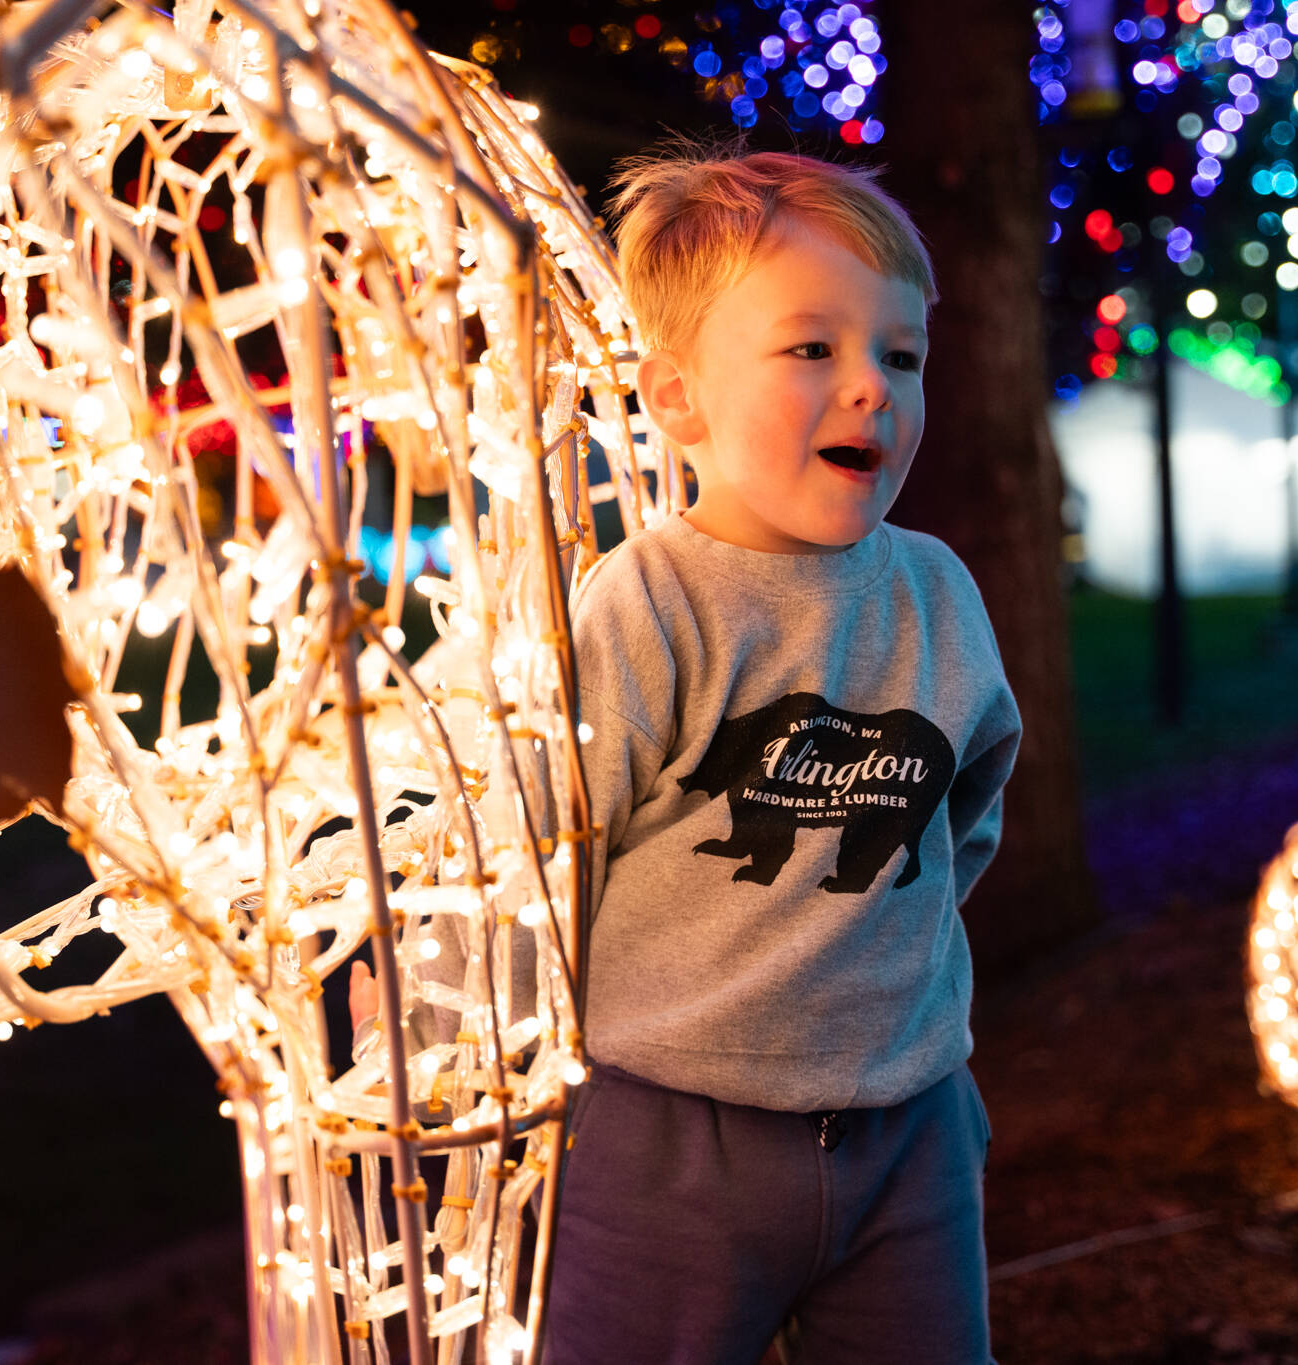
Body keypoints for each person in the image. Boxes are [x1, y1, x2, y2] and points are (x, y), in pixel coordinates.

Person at [359, 144, 1020, 1364]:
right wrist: (461, 1055)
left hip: (908, 1131)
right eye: (811, 349)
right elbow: (540, 854)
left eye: (900, 355)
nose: (871, 387)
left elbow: (958, 813)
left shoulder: (936, 594)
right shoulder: (645, 608)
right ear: (677, 400)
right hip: (663, 1147)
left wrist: (879, 971)